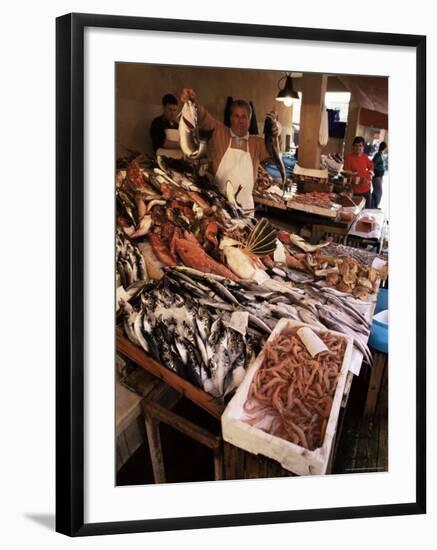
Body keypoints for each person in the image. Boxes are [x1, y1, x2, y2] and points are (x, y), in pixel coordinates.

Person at [180, 88, 272, 212]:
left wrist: (276, 129)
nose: (240, 121)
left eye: (244, 117)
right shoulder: (219, 132)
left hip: (246, 209)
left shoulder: (257, 143)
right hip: (220, 207)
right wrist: (193, 103)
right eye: (236, 116)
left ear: (249, 122)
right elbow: (204, 118)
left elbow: (275, 149)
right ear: (230, 118)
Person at [344, 136, 374, 208]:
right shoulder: (348, 158)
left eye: (360, 146)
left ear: (363, 147)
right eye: (356, 146)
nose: (358, 148)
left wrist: (370, 173)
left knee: (367, 213)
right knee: (356, 213)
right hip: (355, 193)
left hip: (367, 191)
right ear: (353, 147)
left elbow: (371, 166)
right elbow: (347, 175)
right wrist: (360, 180)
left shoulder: (365, 157)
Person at [371, 141, 387, 208]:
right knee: (378, 193)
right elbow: (372, 164)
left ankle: (374, 206)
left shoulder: (380, 154)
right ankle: (374, 206)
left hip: (379, 176)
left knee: (377, 192)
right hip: (376, 176)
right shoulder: (378, 155)